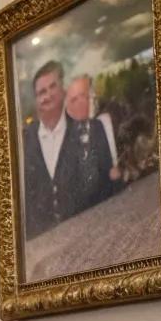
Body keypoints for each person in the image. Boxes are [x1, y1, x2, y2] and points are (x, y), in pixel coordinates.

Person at [21, 60, 116, 239]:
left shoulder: (92, 131)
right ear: (36, 100)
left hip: (91, 238)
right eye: (42, 92)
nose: (48, 95)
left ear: (63, 90)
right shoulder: (23, 142)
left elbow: (108, 189)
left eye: (52, 87)